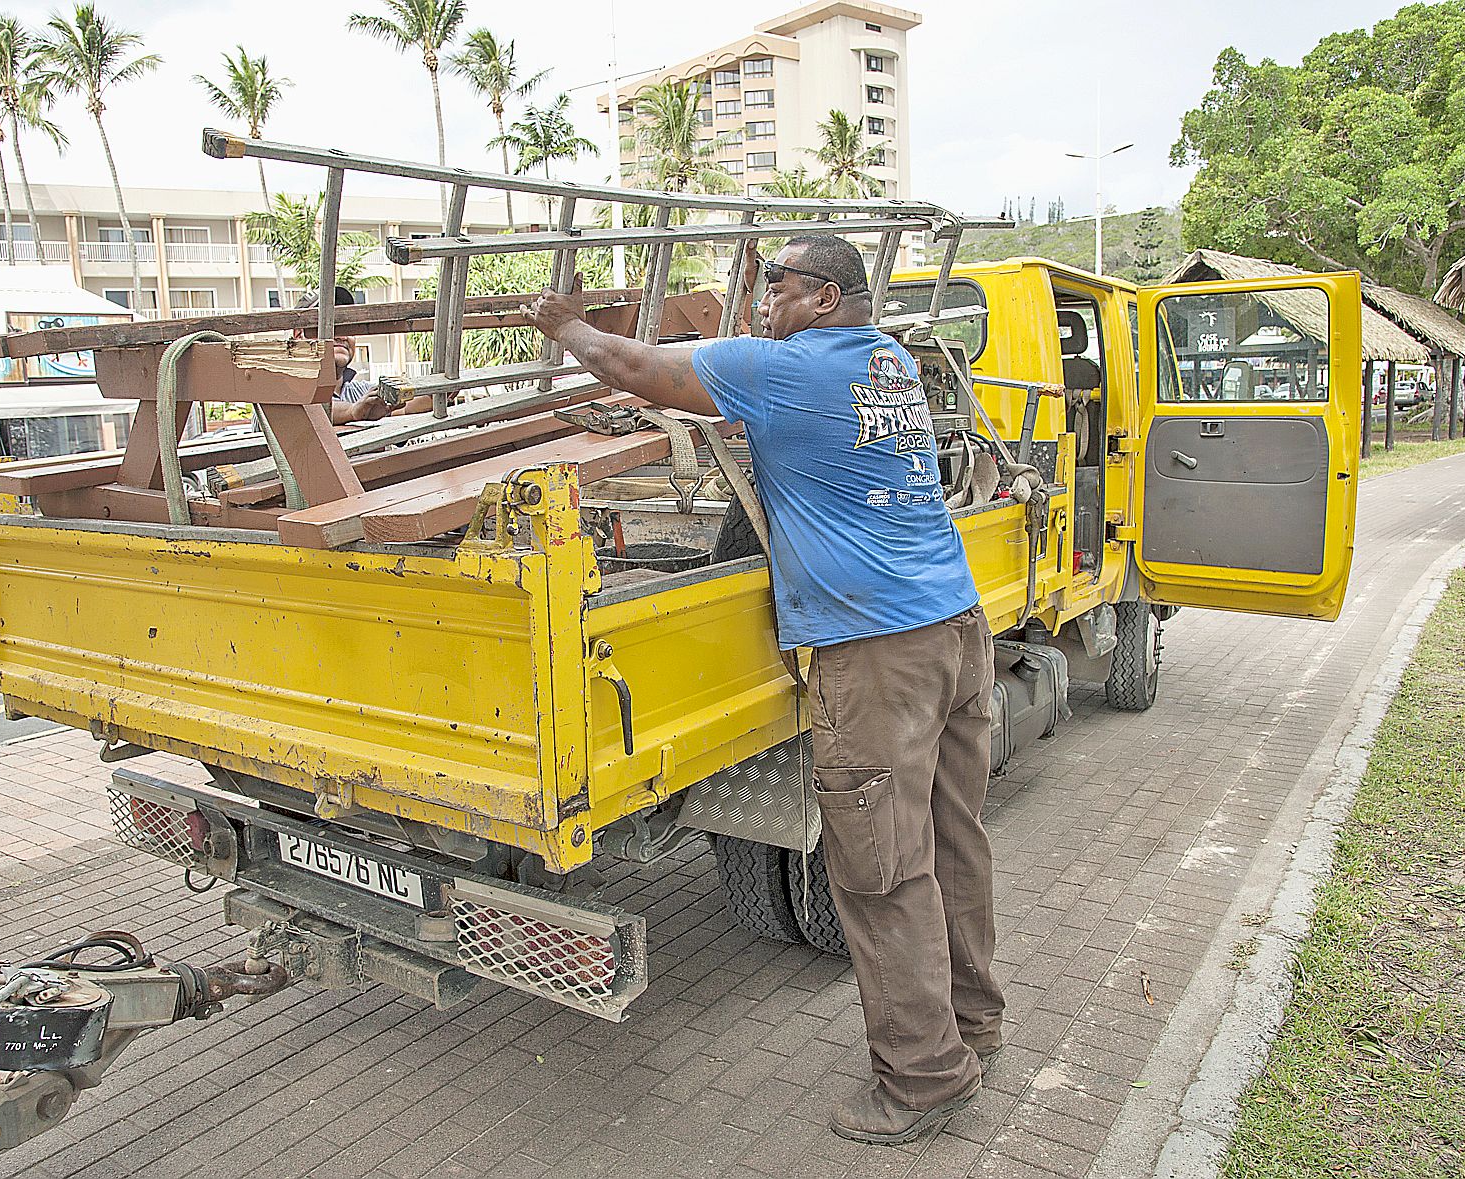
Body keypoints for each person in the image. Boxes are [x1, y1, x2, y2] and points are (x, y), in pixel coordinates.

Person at [529, 235, 1003, 1146]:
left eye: (776, 285)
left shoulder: (783, 370)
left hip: (874, 658)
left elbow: (633, 366)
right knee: (954, 842)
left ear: (825, 297)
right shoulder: (891, 362)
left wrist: (566, 325)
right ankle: (974, 1022)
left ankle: (924, 1076)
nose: (762, 301)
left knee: (881, 868)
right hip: (953, 629)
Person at [293, 287, 417, 424]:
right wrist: (352, 411)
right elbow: (306, 410)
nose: (343, 336)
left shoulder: (361, 391)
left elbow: (404, 409)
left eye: (349, 326)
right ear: (299, 335)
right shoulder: (285, 390)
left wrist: (435, 395)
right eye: (331, 326)